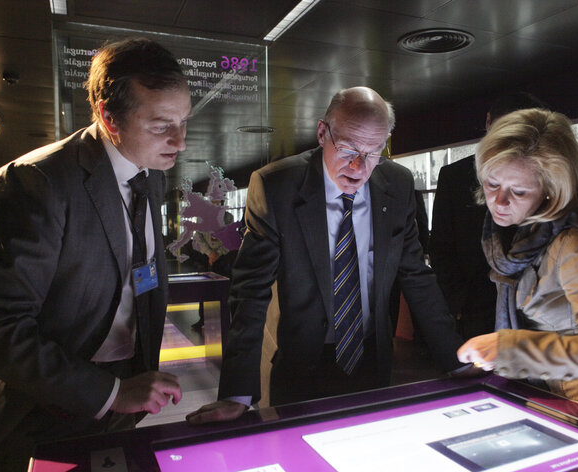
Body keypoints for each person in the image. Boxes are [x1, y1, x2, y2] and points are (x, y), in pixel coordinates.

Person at [0, 38, 188, 472]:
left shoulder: (151, 173)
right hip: (44, 407)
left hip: (123, 397)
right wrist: (110, 392)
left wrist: (131, 382)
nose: (179, 142)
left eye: (184, 122)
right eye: (162, 125)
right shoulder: (36, 182)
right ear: (108, 116)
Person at [186, 87, 463, 423]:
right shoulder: (277, 186)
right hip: (298, 362)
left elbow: (417, 275)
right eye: (348, 149)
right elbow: (250, 292)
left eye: (374, 152)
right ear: (322, 133)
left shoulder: (398, 184)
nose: (360, 167)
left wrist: (455, 359)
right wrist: (236, 392)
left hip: (371, 360)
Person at [456, 108, 578, 418]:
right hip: (542, 395)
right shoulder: (512, 235)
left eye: (518, 191)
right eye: (492, 183)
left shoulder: (575, 245)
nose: (498, 201)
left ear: (552, 191)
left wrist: (510, 348)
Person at [430, 92, 547, 341]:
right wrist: (459, 303)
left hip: (533, 306)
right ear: (488, 123)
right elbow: (440, 248)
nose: (501, 201)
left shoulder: (547, 178)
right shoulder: (455, 176)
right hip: (474, 307)